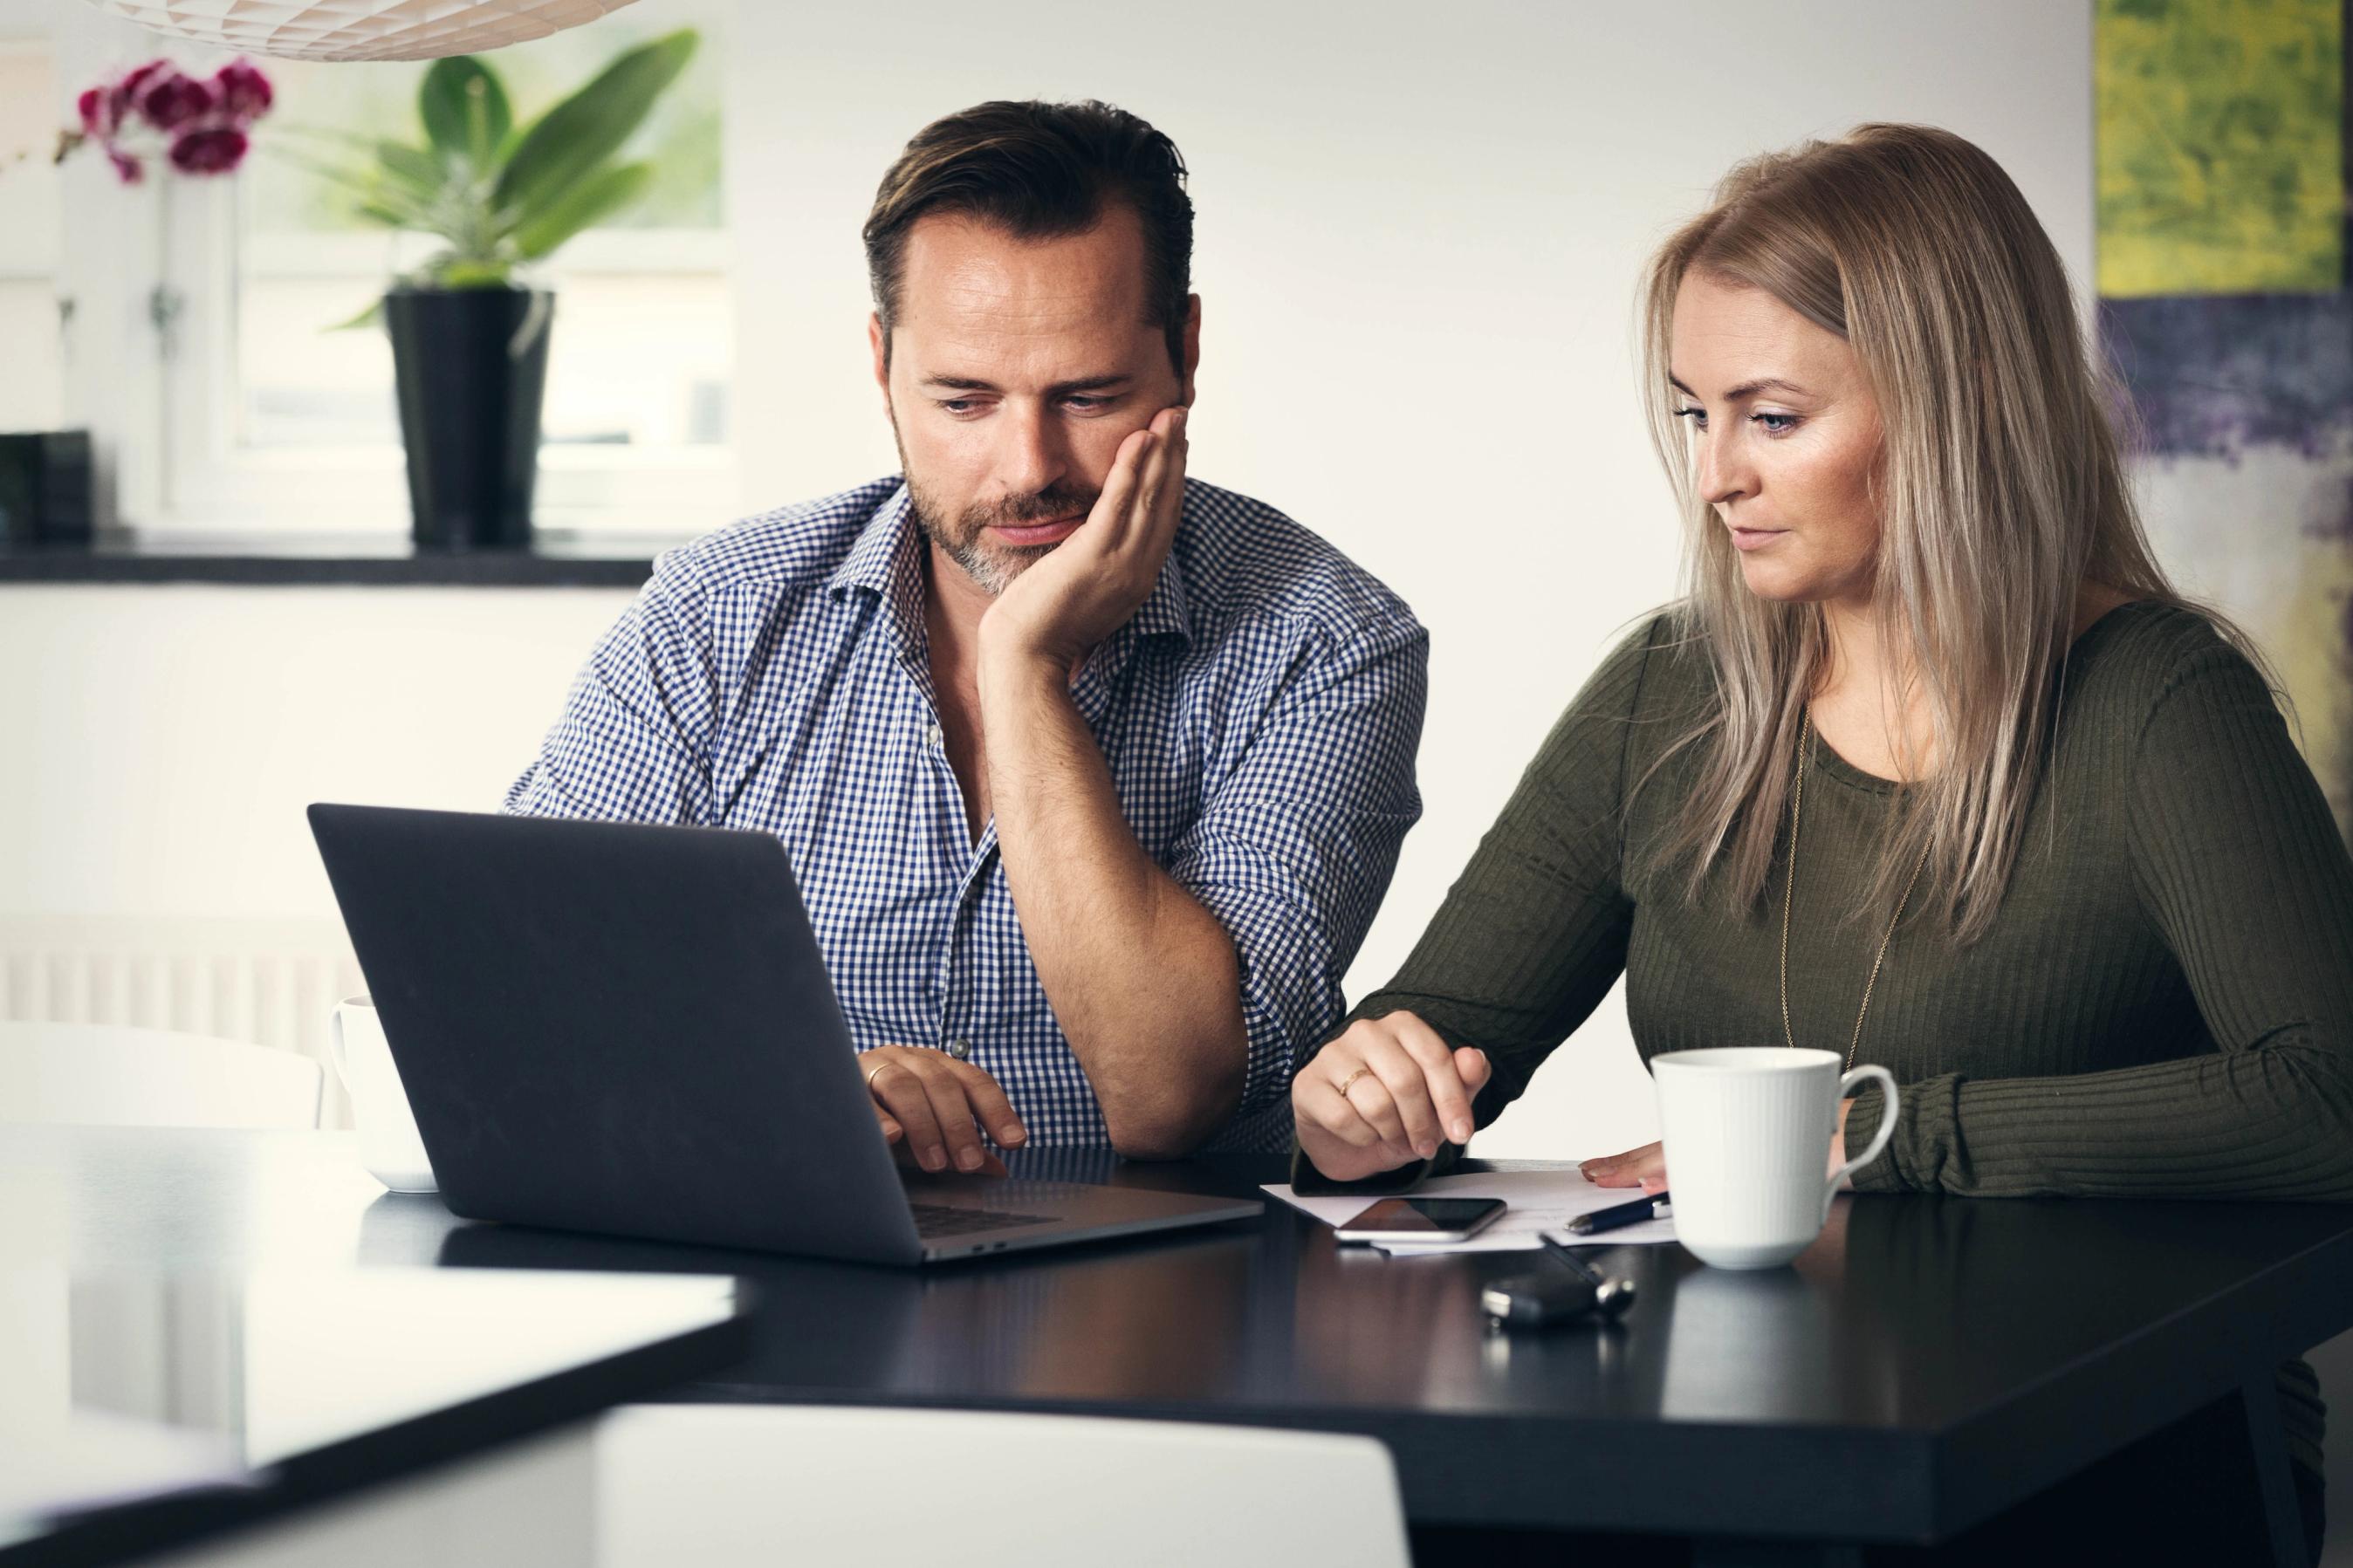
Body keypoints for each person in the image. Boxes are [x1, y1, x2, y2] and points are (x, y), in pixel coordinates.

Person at [1291, 124, 2350, 1560]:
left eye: (1771, 417)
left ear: (1956, 404)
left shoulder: (2161, 699)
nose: (1715, 473)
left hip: (2105, 1446)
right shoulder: (1666, 690)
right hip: (1747, 1433)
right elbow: (1442, 1034)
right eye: (1693, 415)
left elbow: (2328, 1097)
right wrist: (1359, 1098)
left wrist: (1887, 1132)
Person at [509, 99, 1426, 1165]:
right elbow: (528, 996)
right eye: (963, 400)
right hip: (791, 1268)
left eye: (1085, 396)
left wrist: (1023, 667)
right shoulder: (719, 610)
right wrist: (793, 1095)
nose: (1027, 466)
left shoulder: (1326, 640)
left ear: (1182, 352)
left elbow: (1168, 1094)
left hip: (1167, 1296)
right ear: (881, 365)